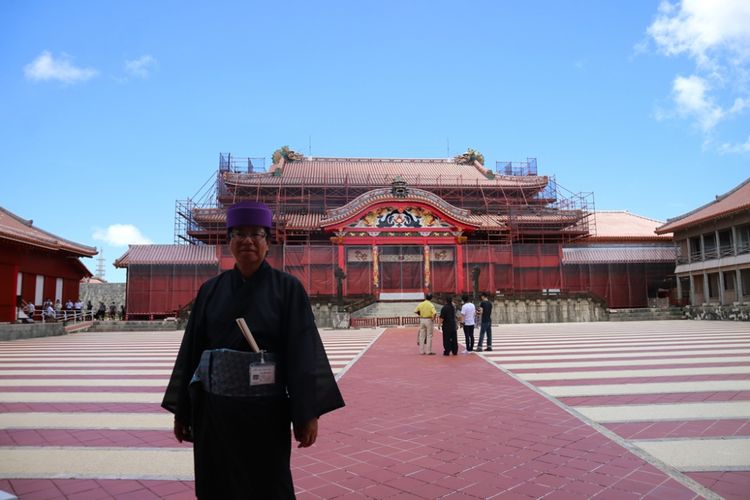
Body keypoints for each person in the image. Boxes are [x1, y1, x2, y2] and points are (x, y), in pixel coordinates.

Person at [162, 200, 345, 499]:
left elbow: (302, 353)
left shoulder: (288, 288)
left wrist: (306, 413)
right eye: (239, 234)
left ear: (268, 242)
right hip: (215, 409)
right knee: (217, 481)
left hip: (266, 410)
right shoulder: (210, 290)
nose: (248, 240)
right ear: (229, 242)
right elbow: (192, 351)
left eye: (256, 234)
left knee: (268, 483)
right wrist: (182, 411)